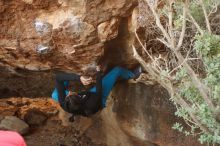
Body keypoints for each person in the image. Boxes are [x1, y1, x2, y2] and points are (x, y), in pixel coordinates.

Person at [52, 66, 142, 120]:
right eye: (71, 93)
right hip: (99, 98)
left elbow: (57, 78)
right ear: (79, 96)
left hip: (83, 100)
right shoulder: (92, 102)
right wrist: (99, 73)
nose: (70, 92)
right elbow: (99, 89)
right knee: (117, 70)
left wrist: (78, 78)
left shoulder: (64, 103)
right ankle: (133, 75)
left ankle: (67, 79)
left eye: (68, 94)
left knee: (55, 94)